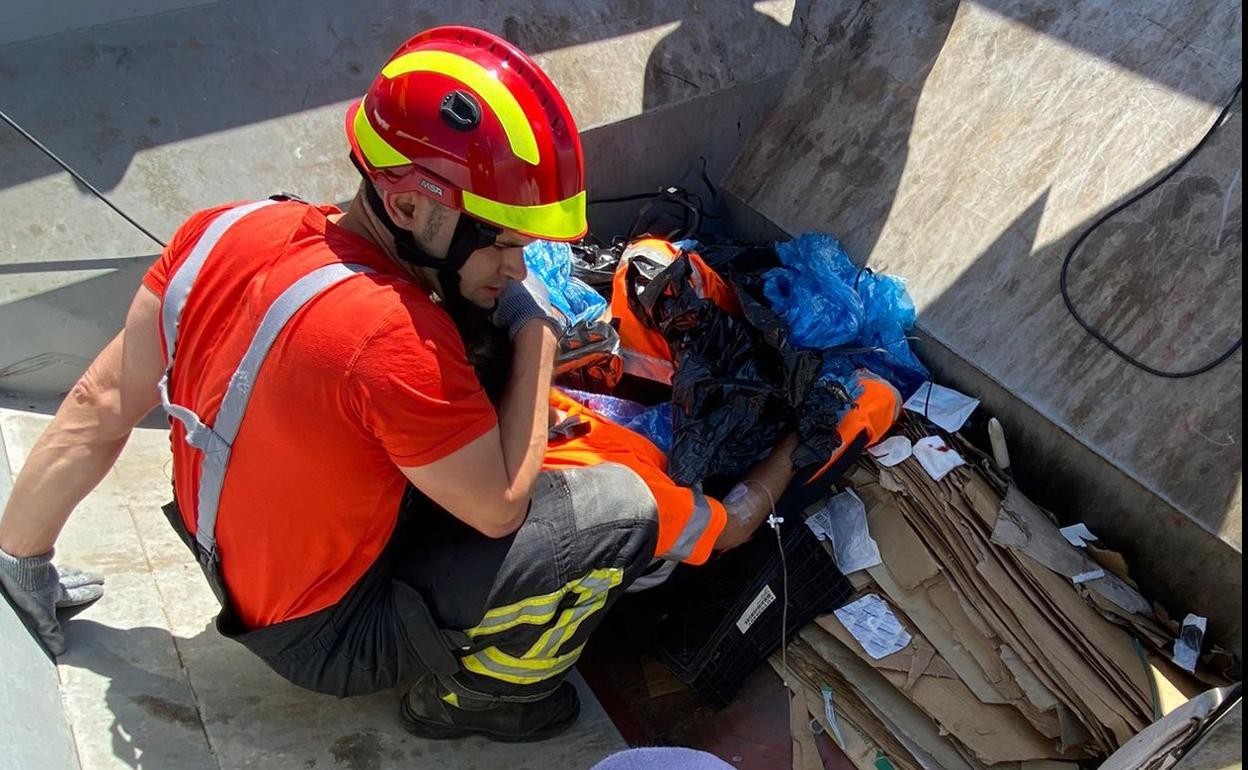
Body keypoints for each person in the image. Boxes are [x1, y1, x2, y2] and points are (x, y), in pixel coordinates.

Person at [0, 25, 807, 743]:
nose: (519, 268)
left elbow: (99, 403)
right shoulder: (389, 338)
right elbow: (500, 506)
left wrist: (21, 561)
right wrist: (535, 335)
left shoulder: (223, 228)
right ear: (409, 202)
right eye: (504, 245)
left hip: (224, 547)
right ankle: (480, 703)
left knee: (480, 358)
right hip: (326, 635)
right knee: (616, 511)